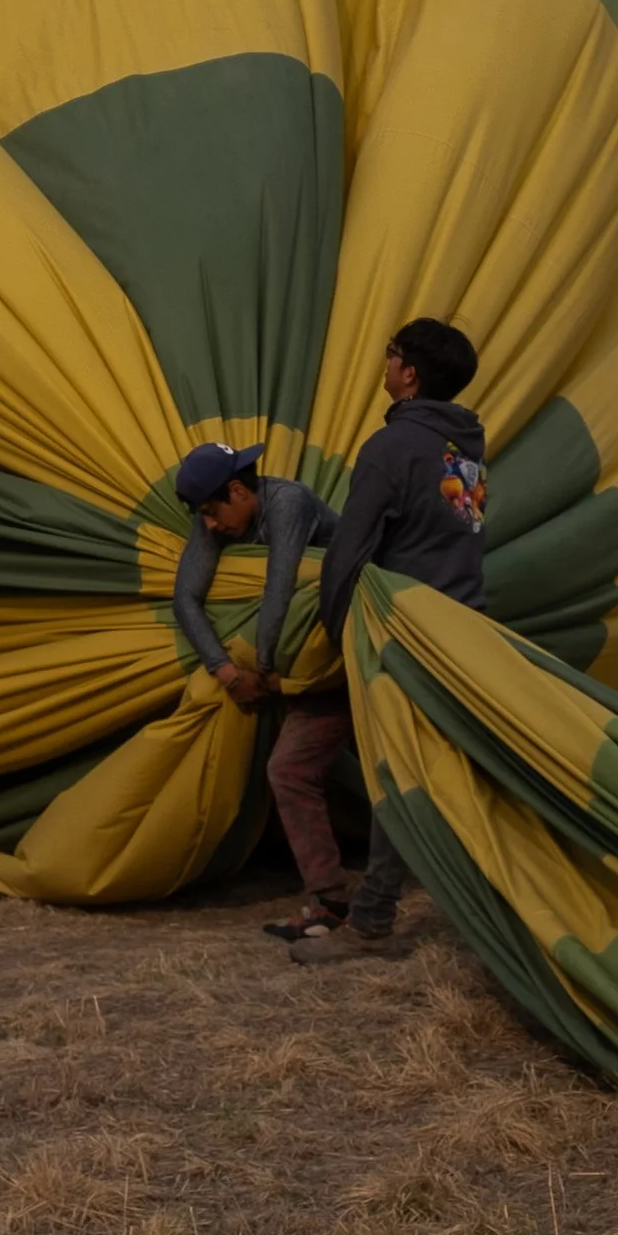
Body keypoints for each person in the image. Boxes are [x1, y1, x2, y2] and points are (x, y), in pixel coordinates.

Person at [282, 315, 488, 959]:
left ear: (409, 375)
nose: (385, 362)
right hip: (465, 624)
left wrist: (339, 630)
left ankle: (371, 921)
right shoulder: (466, 448)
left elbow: (348, 550)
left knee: (392, 769)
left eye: (392, 354)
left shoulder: (389, 449)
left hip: (406, 631)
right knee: (432, 768)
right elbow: (458, 534)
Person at [169, 441, 345, 931]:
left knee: (396, 768)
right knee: (288, 770)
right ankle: (330, 902)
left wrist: (264, 668)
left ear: (240, 490)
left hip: (350, 657)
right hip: (301, 671)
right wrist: (227, 673)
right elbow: (186, 599)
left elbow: (280, 590)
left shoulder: (288, 502)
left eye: (211, 511)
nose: (208, 525)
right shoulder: (217, 515)